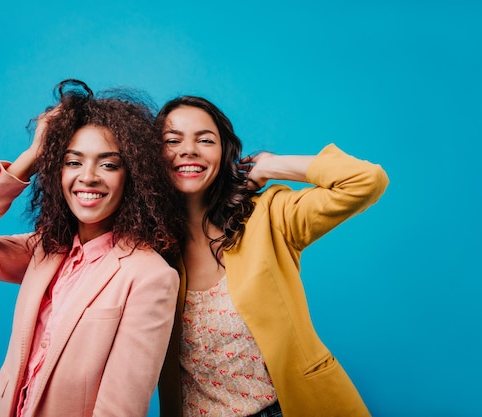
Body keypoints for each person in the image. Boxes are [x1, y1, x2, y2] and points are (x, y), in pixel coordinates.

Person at [0, 79, 184, 417]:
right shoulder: (44, 249)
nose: (88, 177)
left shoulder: (150, 276)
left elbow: (119, 409)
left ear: (132, 176)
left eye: (108, 164)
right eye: (72, 162)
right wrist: (31, 157)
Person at [155, 96, 389, 417]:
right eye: (172, 140)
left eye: (205, 140)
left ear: (224, 153)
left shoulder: (269, 216)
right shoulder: (150, 249)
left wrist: (271, 165)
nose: (189, 149)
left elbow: (365, 181)